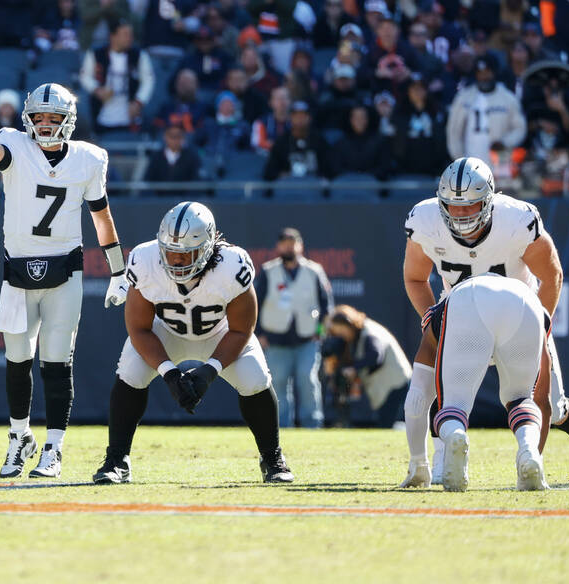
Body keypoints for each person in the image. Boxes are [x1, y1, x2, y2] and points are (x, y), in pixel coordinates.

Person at [0, 84, 126, 479]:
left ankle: (54, 447)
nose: (45, 125)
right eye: (40, 117)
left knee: (57, 361)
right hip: (17, 270)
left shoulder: (89, 158)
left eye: (54, 118)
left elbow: (102, 218)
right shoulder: (15, 144)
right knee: (17, 360)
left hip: (66, 268)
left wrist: (118, 269)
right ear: (28, 119)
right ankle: (18, 437)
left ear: (69, 121)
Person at [400, 157, 569, 487]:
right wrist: (429, 318)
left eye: (471, 206)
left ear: (490, 200)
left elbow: (551, 276)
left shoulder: (515, 219)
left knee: (552, 403)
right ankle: (441, 460)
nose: (462, 214)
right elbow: (414, 278)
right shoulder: (425, 219)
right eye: (453, 207)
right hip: (461, 316)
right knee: (442, 391)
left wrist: (541, 324)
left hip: (518, 317)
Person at [92, 202, 294, 485]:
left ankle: (272, 458)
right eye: (170, 252)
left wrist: (210, 370)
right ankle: (117, 459)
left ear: (208, 248)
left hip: (220, 333)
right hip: (166, 331)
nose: (175, 261)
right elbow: (139, 329)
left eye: (185, 254)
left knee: (255, 378)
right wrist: (170, 373)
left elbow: (241, 329)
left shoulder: (232, 266)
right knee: (130, 371)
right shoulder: (145, 259)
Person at [423, 276, 552, 491]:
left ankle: (456, 435)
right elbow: (543, 397)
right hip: (526, 301)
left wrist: (418, 460)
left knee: (454, 403)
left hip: (467, 299)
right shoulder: (533, 302)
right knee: (521, 397)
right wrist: (538, 450)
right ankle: (528, 449)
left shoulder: (443, 309)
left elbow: (419, 386)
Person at [255, 228, 333, 429]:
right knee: (278, 384)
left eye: (293, 242)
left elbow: (327, 307)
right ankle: (280, 428)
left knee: (307, 381)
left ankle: (312, 426)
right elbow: (254, 304)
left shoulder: (314, 271)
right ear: (278, 246)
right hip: (275, 340)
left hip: (307, 340)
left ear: (301, 245)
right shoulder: (268, 270)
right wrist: (259, 335)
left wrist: (321, 334)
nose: (289, 246)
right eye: (285, 242)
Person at [322, 305, 411, 429]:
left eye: (342, 332)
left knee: (386, 427)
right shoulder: (359, 333)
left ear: (349, 324)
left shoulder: (369, 332)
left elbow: (376, 356)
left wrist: (353, 369)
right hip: (389, 384)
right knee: (385, 425)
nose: (342, 337)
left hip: (395, 382)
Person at [445, 52, 526, 160]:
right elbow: (453, 131)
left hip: (499, 164)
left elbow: (520, 128)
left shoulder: (508, 98)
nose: (484, 76)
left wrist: (505, 142)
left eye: (487, 72)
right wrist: (459, 158)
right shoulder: (463, 98)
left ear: (494, 72)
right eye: (480, 73)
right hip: (470, 166)